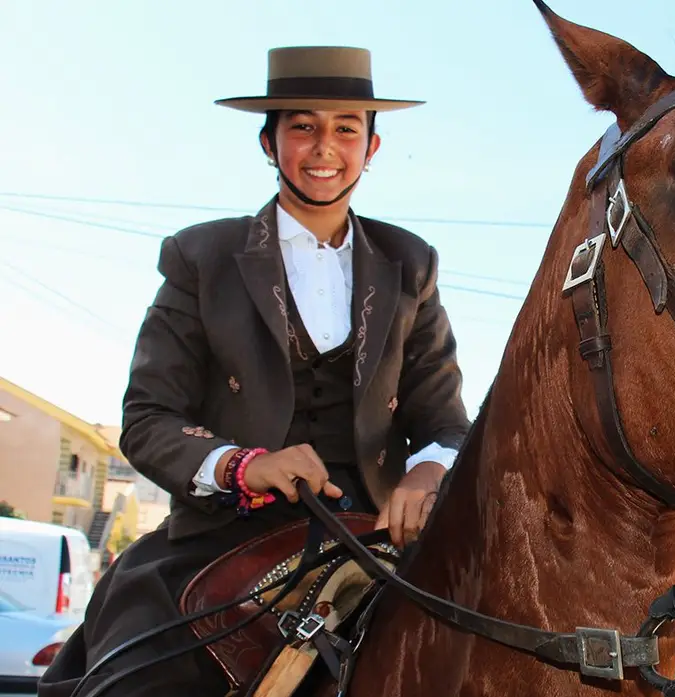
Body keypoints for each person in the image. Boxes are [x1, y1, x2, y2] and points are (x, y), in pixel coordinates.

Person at [38, 46, 471, 697]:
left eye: (346, 129)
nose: (325, 147)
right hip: (224, 530)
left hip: (374, 532)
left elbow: (443, 419)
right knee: (131, 673)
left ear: (372, 146)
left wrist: (430, 469)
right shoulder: (201, 255)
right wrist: (242, 463)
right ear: (270, 141)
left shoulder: (411, 262)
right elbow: (148, 416)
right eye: (303, 126)